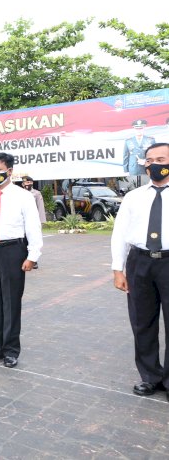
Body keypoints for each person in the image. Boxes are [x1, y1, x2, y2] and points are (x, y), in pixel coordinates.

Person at [0, 152, 43, 368]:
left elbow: (33, 226)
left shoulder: (23, 196)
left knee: (11, 301)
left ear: (10, 171)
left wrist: (33, 256)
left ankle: (11, 350)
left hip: (12, 250)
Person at [112, 142, 169, 397]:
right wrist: (118, 269)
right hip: (140, 263)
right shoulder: (133, 196)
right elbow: (120, 234)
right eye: (150, 160)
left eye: (161, 159)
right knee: (142, 322)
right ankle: (149, 376)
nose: (155, 164)